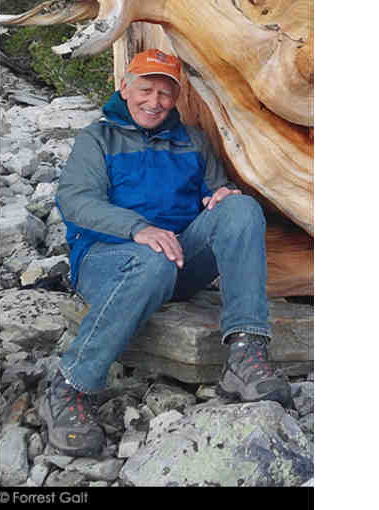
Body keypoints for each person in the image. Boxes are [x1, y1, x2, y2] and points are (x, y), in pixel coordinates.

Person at [41, 49, 291, 457]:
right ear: (125, 88)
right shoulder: (97, 139)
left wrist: (220, 195)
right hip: (108, 262)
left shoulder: (192, 140)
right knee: (151, 259)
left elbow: (215, 190)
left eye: (164, 93)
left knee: (240, 208)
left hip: (176, 261)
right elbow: (76, 201)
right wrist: (138, 229)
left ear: (175, 97)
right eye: (145, 90)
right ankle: (70, 385)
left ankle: (246, 351)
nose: (154, 102)